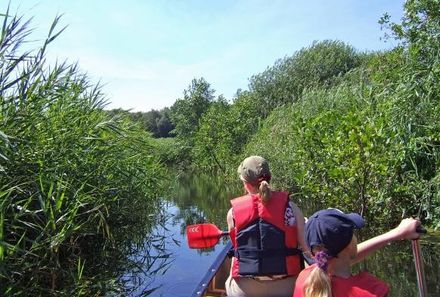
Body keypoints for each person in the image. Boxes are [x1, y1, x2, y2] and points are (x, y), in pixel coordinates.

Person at [225, 156, 309, 297]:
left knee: (234, 257)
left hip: (245, 291)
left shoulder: (233, 212)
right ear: (269, 178)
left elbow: (236, 246)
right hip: (286, 288)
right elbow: (306, 249)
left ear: (245, 182)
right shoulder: (291, 208)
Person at [293, 208, 421, 297]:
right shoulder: (373, 290)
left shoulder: (304, 279)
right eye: (353, 233)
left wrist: (397, 233)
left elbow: (342, 258)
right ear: (350, 245)